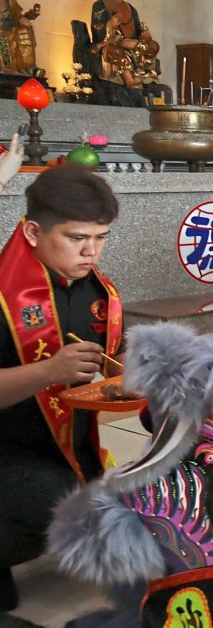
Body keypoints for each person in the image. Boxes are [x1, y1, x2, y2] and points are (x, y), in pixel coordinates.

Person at [0, 166, 123, 610]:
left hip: (71, 445)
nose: (91, 251)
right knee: (52, 499)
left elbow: (114, 362)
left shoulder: (98, 292)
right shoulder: (2, 291)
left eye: (101, 237)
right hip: (8, 448)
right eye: (77, 239)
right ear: (33, 232)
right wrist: (48, 371)